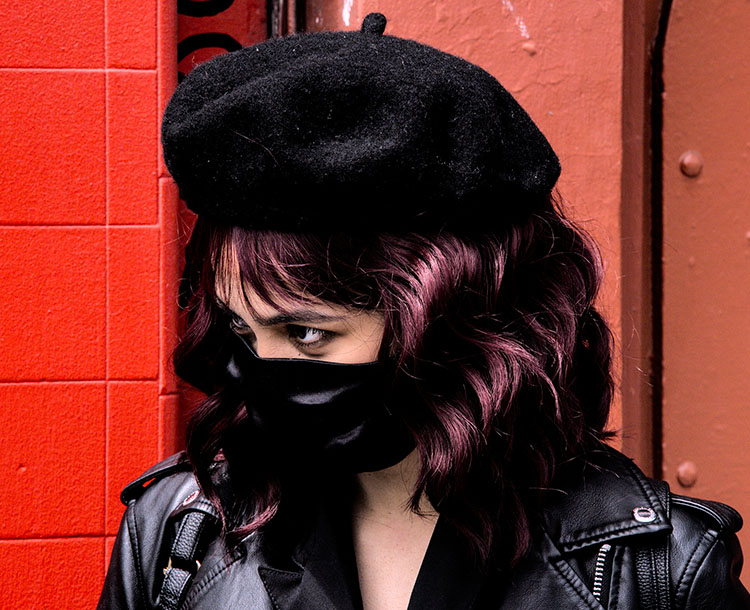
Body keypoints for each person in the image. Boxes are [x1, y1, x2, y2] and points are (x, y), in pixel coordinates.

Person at [97, 13, 750, 610]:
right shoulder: (176, 536)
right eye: (242, 329)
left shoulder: (656, 570)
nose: (264, 372)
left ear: (456, 327)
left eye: (307, 332)